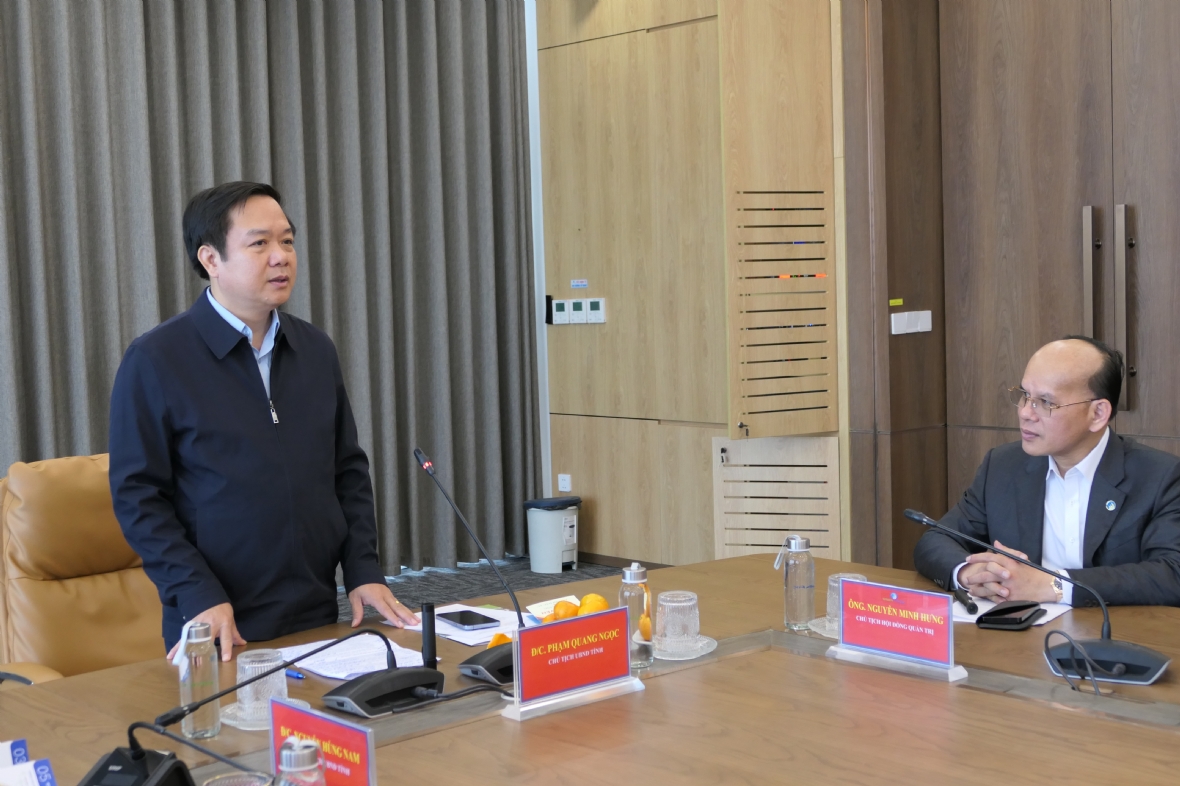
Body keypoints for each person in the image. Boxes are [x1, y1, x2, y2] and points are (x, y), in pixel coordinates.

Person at [109, 181, 418, 660]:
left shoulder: (314, 349)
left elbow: (347, 471)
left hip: (315, 610)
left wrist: (363, 569)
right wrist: (196, 592)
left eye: (287, 241)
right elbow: (138, 496)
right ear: (210, 259)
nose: (281, 257)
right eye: (259, 243)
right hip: (217, 620)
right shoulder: (157, 359)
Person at [913, 336, 1180, 607]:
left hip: (1118, 630)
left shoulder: (1159, 477)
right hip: (1020, 628)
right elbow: (937, 538)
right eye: (1025, 395)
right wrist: (970, 573)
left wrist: (1054, 585)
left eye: (1045, 402)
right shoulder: (1003, 466)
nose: (1025, 413)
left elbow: (1173, 574)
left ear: (1098, 413)